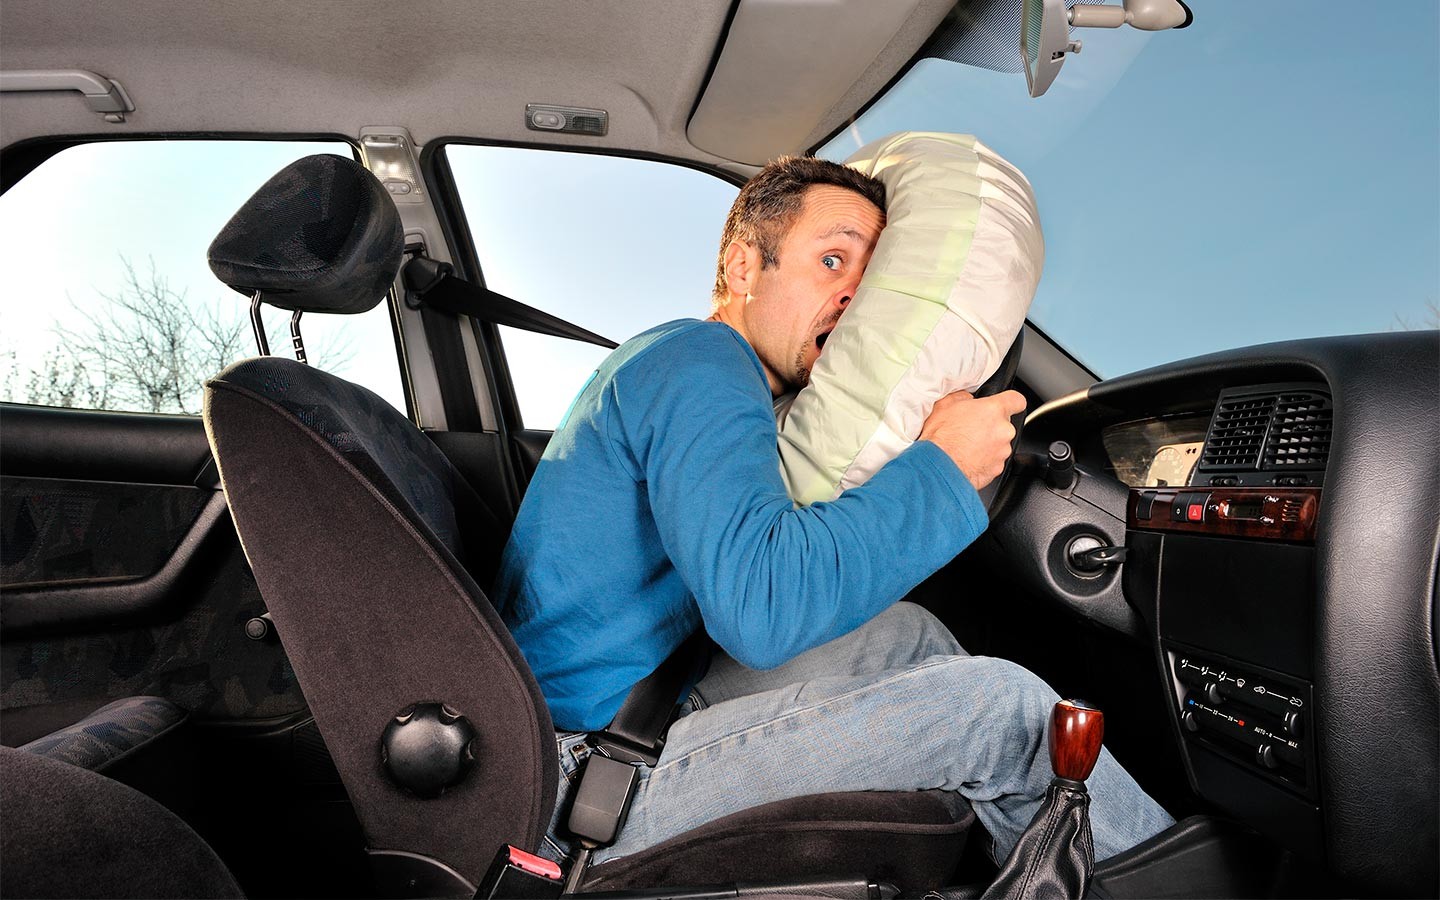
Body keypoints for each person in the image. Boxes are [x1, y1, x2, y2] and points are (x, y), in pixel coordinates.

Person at [493, 156, 1173, 869]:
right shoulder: (704, 362)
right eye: (831, 260)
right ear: (744, 267)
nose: (854, 295)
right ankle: (1163, 881)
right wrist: (946, 466)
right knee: (1010, 718)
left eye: (869, 278)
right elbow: (762, 610)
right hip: (578, 778)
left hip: (632, 699)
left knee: (906, 636)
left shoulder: (692, 365)